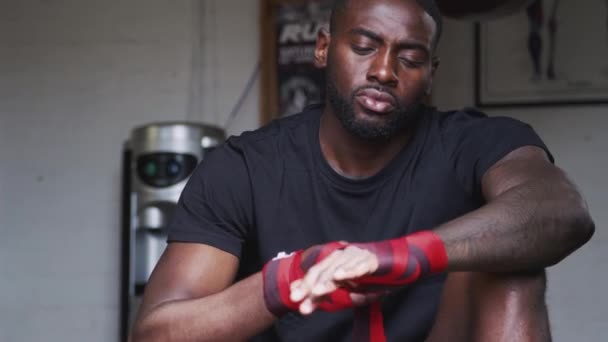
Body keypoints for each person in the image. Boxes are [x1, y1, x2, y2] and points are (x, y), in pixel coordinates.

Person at [131, 0, 595, 341]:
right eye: (364, 46)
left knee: (515, 259)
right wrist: (290, 280)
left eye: (410, 58)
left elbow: (562, 212)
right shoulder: (246, 167)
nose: (384, 71)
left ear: (431, 74)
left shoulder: (473, 142)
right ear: (323, 49)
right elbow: (158, 333)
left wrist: (401, 256)